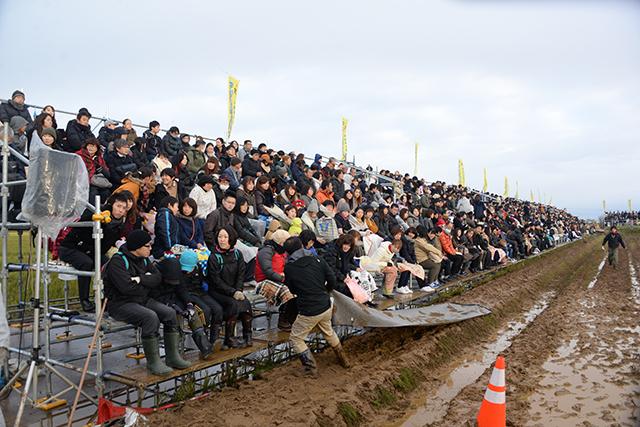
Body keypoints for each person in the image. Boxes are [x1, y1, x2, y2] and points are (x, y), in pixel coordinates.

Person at [104, 230, 191, 375]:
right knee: (150, 317)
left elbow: (157, 279)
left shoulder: (144, 259)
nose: (150, 249)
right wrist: (146, 280)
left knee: (170, 313)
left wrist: (140, 279)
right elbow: (125, 288)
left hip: (142, 299)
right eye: (147, 246)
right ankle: (153, 362)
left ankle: (172, 357)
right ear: (137, 247)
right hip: (120, 304)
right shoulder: (118, 261)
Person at [283, 237, 350, 377]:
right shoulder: (317, 259)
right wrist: (325, 291)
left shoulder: (289, 267)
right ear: (302, 246)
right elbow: (331, 278)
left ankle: (310, 369)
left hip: (309, 309)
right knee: (328, 331)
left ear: (288, 253)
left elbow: (292, 289)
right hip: (325, 305)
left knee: (296, 338)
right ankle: (343, 359)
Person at [59, 192, 129, 312]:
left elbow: (104, 247)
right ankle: (84, 300)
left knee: (109, 264)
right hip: (71, 248)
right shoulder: (97, 211)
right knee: (86, 263)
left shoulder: (118, 225)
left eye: (124, 208)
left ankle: (106, 298)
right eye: (118, 206)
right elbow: (81, 223)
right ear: (112, 205)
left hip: (92, 250)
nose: (120, 210)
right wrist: (96, 219)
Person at [206, 225, 253, 348]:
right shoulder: (213, 257)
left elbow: (241, 275)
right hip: (217, 291)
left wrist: (238, 290)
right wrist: (233, 292)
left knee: (246, 304)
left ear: (231, 238)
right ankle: (229, 338)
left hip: (234, 289)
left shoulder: (238, 254)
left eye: (225, 237)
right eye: (220, 237)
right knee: (233, 304)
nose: (222, 240)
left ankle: (248, 336)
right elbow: (216, 280)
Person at [178, 250, 225, 352]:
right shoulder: (178, 271)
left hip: (200, 292)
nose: (187, 271)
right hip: (189, 295)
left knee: (218, 309)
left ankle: (214, 339)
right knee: (205, 311)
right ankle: (204, 341)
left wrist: (205, 284)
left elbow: (202, 280)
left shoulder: (198, 267)